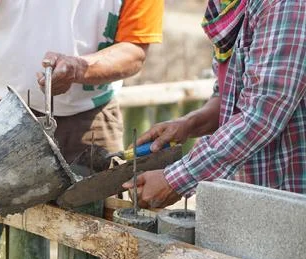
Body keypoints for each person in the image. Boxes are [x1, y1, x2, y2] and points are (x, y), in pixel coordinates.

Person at [0, 0, 164, 163]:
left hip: (92, 119)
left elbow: (135, 50)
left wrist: (80, 69)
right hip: (5, 113)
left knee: (98, 225)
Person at [123, 0, 306, 208]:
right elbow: (228, 95)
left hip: (290, 199)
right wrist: (188, 124)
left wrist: (174, 179)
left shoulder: (285, 5)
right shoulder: (227, 7)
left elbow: (261, 116)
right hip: (245, 194)